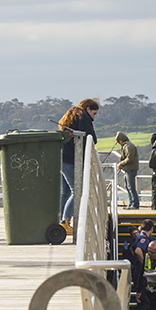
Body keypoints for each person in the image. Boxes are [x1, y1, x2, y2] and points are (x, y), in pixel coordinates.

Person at [58, 98, 99, 233]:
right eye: (94, 113)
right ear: (88, 109)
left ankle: (60, 221)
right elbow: (92, 138)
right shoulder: (84, 118)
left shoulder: (70, 115)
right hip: (71, 160)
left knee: (66, 192)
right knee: (78, 191)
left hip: (61, 158)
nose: (94, 117)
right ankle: (65, 220)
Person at [131, 219, 154, 310]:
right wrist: (144, 263)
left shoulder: (138, 237)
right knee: (143, 297)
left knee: (141, 296)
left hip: (138, 270)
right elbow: (138, 250)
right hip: (141, 271)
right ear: (152, 229)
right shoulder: (144, 238)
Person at [115, 132, 139, 209]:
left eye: (118, 142)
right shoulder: (126, 146)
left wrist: (121, 164)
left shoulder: (128, 146)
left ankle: (135, 204)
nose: (118, 143)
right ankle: (131, 203)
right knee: (127, 187)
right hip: (127, 170)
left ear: (121, 140)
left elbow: (130, 158)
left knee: (131, 187)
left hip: (130, 170)